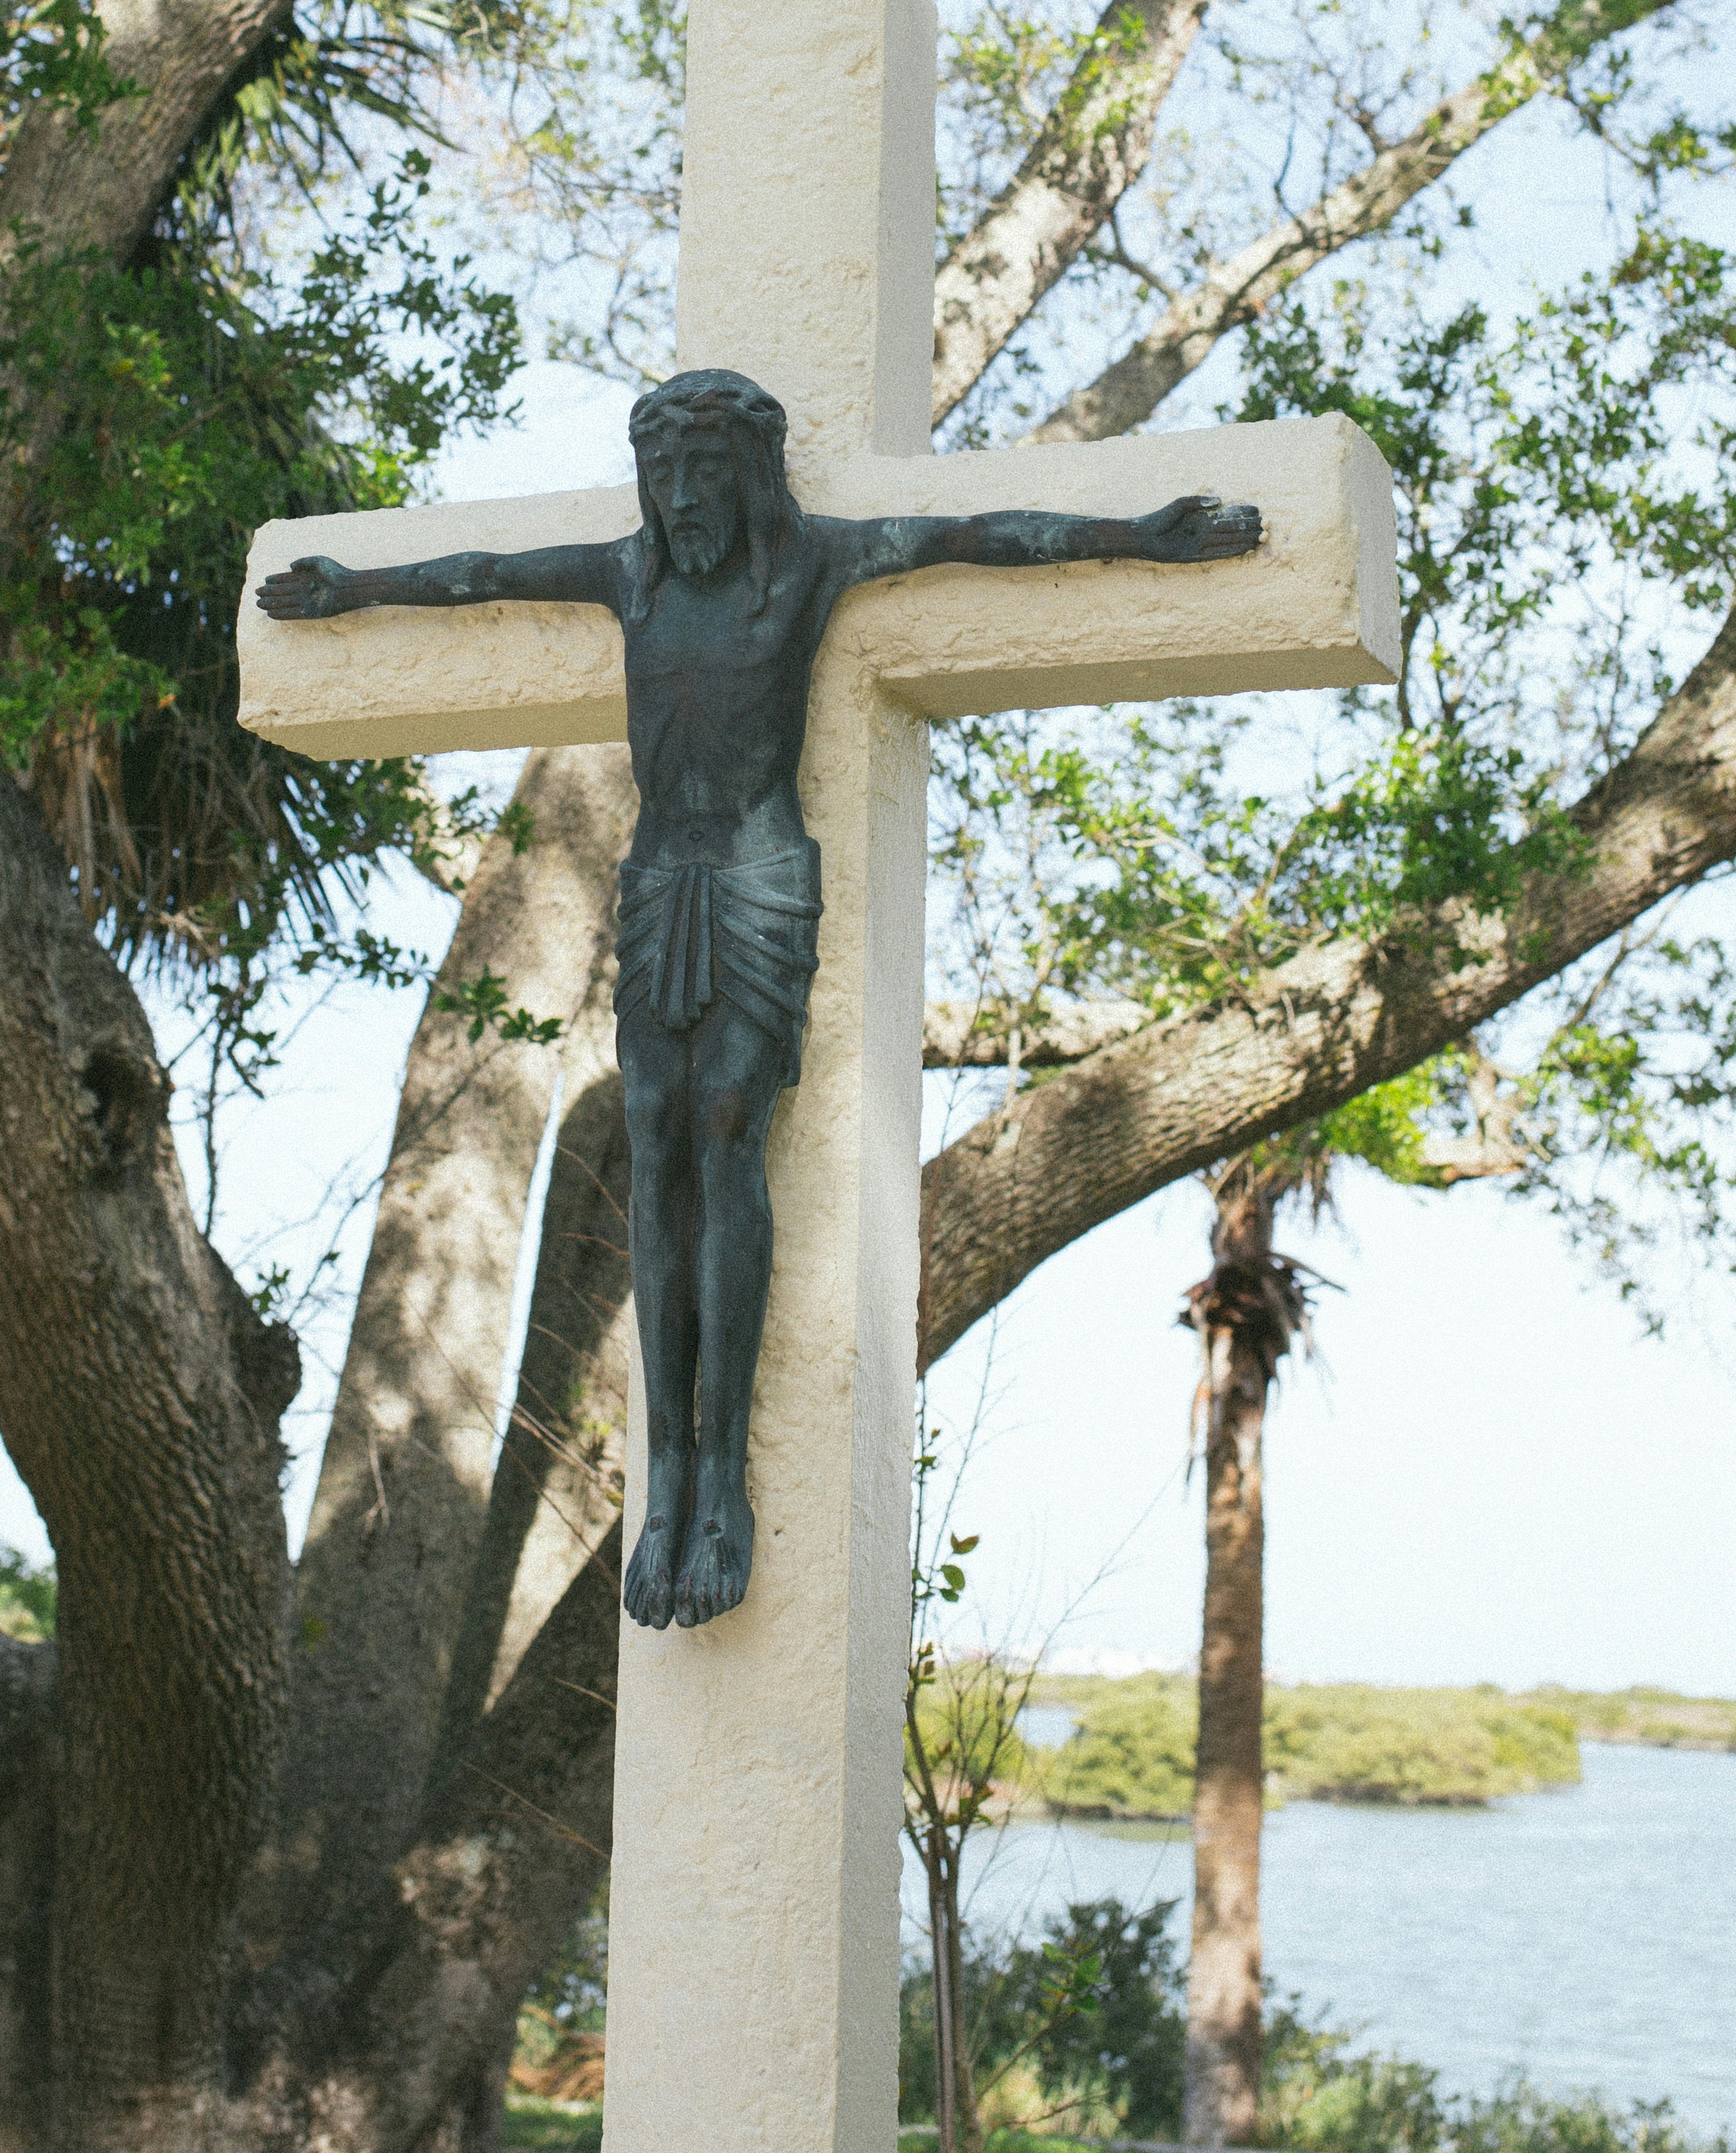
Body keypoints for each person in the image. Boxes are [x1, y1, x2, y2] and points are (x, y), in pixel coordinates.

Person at [258, 369, 1260, 1626]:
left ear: (750, 477)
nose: (682, 500)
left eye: (705, 475)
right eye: (665, 476)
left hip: (763, 881)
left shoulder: (813, 566)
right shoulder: (630, 577)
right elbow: (478, 572)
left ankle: (717, 1470)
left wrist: (1142, 539)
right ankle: (663, 1462)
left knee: (730, 1128)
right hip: (661, 876)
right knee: (659, 1140)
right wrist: (347, 591)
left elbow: (981, 540)